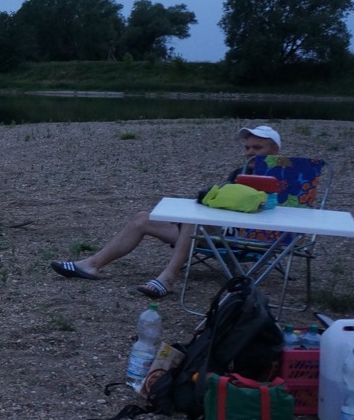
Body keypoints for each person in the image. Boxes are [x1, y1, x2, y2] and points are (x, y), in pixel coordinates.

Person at [49, 125, 282, 299]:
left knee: (193, 219)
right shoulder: (239, 173)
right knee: (143, 218)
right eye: (247, 147)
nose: (250, 152)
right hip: (218, 232)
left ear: (276, 149)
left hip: (253, 237)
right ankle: (91, 264)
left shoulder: (288, 179)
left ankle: (168, 278)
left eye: (257, 148)